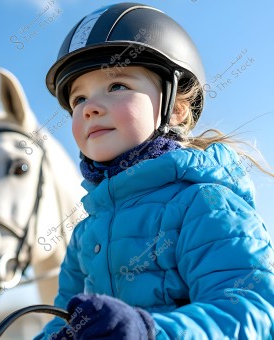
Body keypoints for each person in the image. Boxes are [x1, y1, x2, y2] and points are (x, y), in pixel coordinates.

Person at [35, 2, 274, 339]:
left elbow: (253, 311)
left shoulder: (205, 203)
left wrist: (150, 331)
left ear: (174, 109)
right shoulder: (85, 232)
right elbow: (61, 319)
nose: (89, 108)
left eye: (117, 86)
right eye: (78, 99)